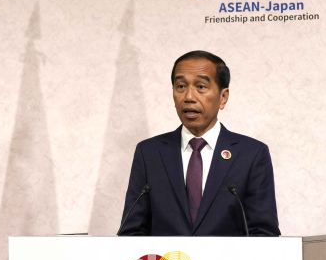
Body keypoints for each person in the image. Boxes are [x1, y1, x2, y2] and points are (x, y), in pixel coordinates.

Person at [118, 51, 280, 236]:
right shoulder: (149, 153)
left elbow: (264, 234)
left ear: (223, 97)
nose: (188, 97)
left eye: (201, 86)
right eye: (180, 86)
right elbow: (131, 232)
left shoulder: (251, 154)